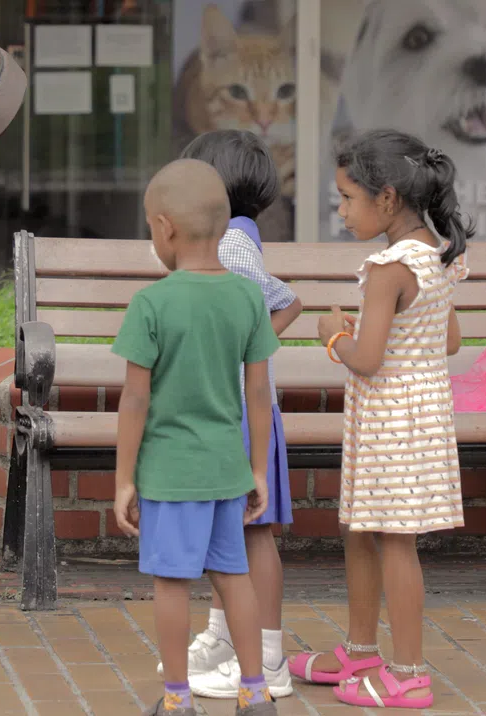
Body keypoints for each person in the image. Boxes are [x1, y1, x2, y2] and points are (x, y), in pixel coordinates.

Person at [297, 129, 469, 710]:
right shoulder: (437, 256)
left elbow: (366, 360)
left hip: (389, 416)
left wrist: (333, 335)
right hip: (419, 412)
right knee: (364, 529)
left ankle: (409, 672)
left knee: (394, 540)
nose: (341, 211)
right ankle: (362, 650)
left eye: (348, 198)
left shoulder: (388, 267)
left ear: (388, 198)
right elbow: (447, 339)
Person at [113, 158, 281, 716]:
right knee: (234, 578)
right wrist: (257, 470)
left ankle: (177, 697)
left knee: (172, 584)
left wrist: (123, 480)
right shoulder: (246, 298)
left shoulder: (152, 304)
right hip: (227, 469)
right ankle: (255, 692)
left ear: (165, 227)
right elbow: (258, 395)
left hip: (170, 474)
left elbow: (134, 401)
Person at [175, 130, 303, 699]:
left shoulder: (227, 245)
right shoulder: (236, 235)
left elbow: (283, 302)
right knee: (232, 533)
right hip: (238, 413)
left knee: (251, 534)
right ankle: (228, 636)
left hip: (239, 419)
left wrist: (241, 357)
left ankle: (268, 659)